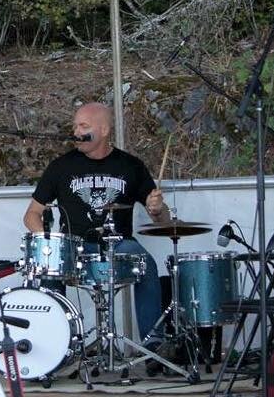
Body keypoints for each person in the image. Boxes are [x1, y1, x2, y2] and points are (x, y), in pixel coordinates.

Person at [23, 102, 170, 342]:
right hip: (75, 246)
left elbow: (162, 219)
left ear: (104, 130)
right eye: (75, 126)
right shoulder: (61, 166)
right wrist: (50, 245)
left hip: (119, 245)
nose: (76, 132)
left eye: (84, 126)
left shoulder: (130, 165)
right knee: (48, 271)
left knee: (146, 263)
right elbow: (31, 215)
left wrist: (158, 208)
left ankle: (153, 343)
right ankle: (54, 345)